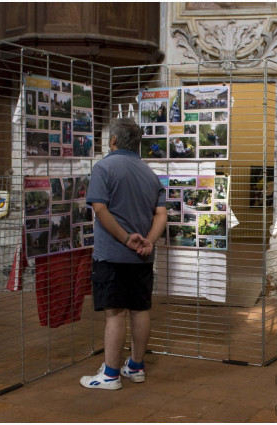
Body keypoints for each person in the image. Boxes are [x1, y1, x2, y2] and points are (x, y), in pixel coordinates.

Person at [81, 118, 167, 390]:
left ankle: (110, 375)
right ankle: (137, 367)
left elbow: (100, 209)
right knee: (140, 309)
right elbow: (161, 214)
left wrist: (127, 240)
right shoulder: (150, 174)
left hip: (112, 255)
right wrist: (148, 243)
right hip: (142, 257)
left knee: (115, 313)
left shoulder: (104, 168)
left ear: (114, 141)